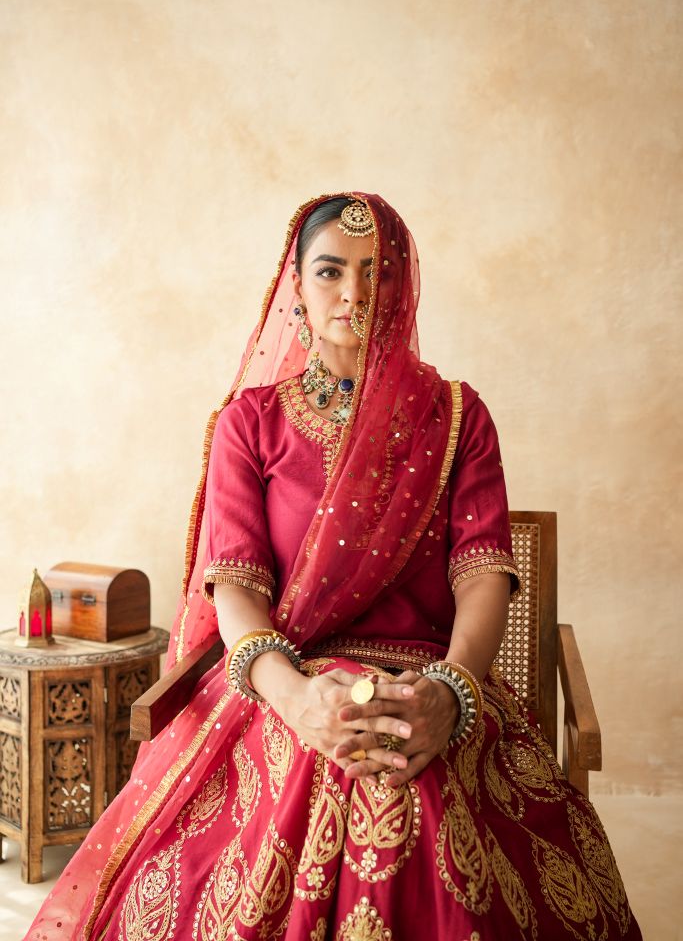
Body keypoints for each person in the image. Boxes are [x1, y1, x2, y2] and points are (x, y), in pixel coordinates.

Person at [26, 192, 641, 940]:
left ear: (401, 286)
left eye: (374, 273)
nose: (352, 293)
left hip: (432, 683)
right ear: (296, 287)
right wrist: (297, 701)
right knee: (325, 765)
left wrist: (448, 695)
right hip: (285, 679)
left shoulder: (456, 415)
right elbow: (237, 591)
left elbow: (481, 573)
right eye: (329, 271)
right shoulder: (248, 424)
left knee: (419, 786)